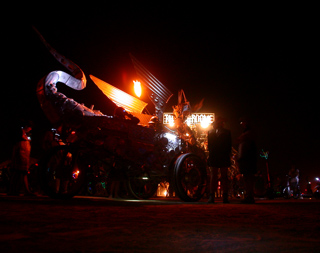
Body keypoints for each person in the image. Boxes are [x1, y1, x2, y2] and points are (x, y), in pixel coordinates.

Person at [207, 117, 232, 203]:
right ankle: (213, 196)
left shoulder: (226, 132)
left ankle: (224, 196)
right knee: (214, 176)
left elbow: (229, 145)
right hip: (216, 155)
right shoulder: (211, 132)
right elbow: (209, 145)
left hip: (222, 155)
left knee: (223, 176)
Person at [8, 120, 34, 196]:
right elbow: (16, 145)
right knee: (18, 173)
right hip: (21, 156)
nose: (30, 129)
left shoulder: (24, 134)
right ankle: (15, 190)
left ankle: (21, 190)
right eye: (30, 127)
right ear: (26, 126)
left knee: (21, 173)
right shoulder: (20, 134)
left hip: (24, 156)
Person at [237, 117, 257, 204]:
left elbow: (240, 139)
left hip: (247, 157)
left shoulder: (248, 133)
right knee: (246, 177)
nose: (242, 124)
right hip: (245, 157)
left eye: (243, 122)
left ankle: (250, 196)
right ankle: (249, 195)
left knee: (248, 177)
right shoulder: (246, 133)